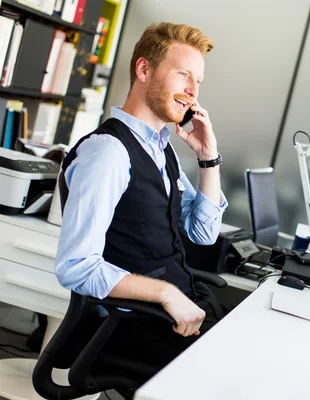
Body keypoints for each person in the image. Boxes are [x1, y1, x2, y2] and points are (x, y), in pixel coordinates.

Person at [55, 22, 227, 373]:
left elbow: (202, 233)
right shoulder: (109, 153)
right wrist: (166, 294)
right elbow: (76, 267)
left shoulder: (162, 151)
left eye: (198, 81)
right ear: (144, 69)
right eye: (183, 75)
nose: (192, 91)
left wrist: (208, 157)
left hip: (178, 315)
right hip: (137, 326)